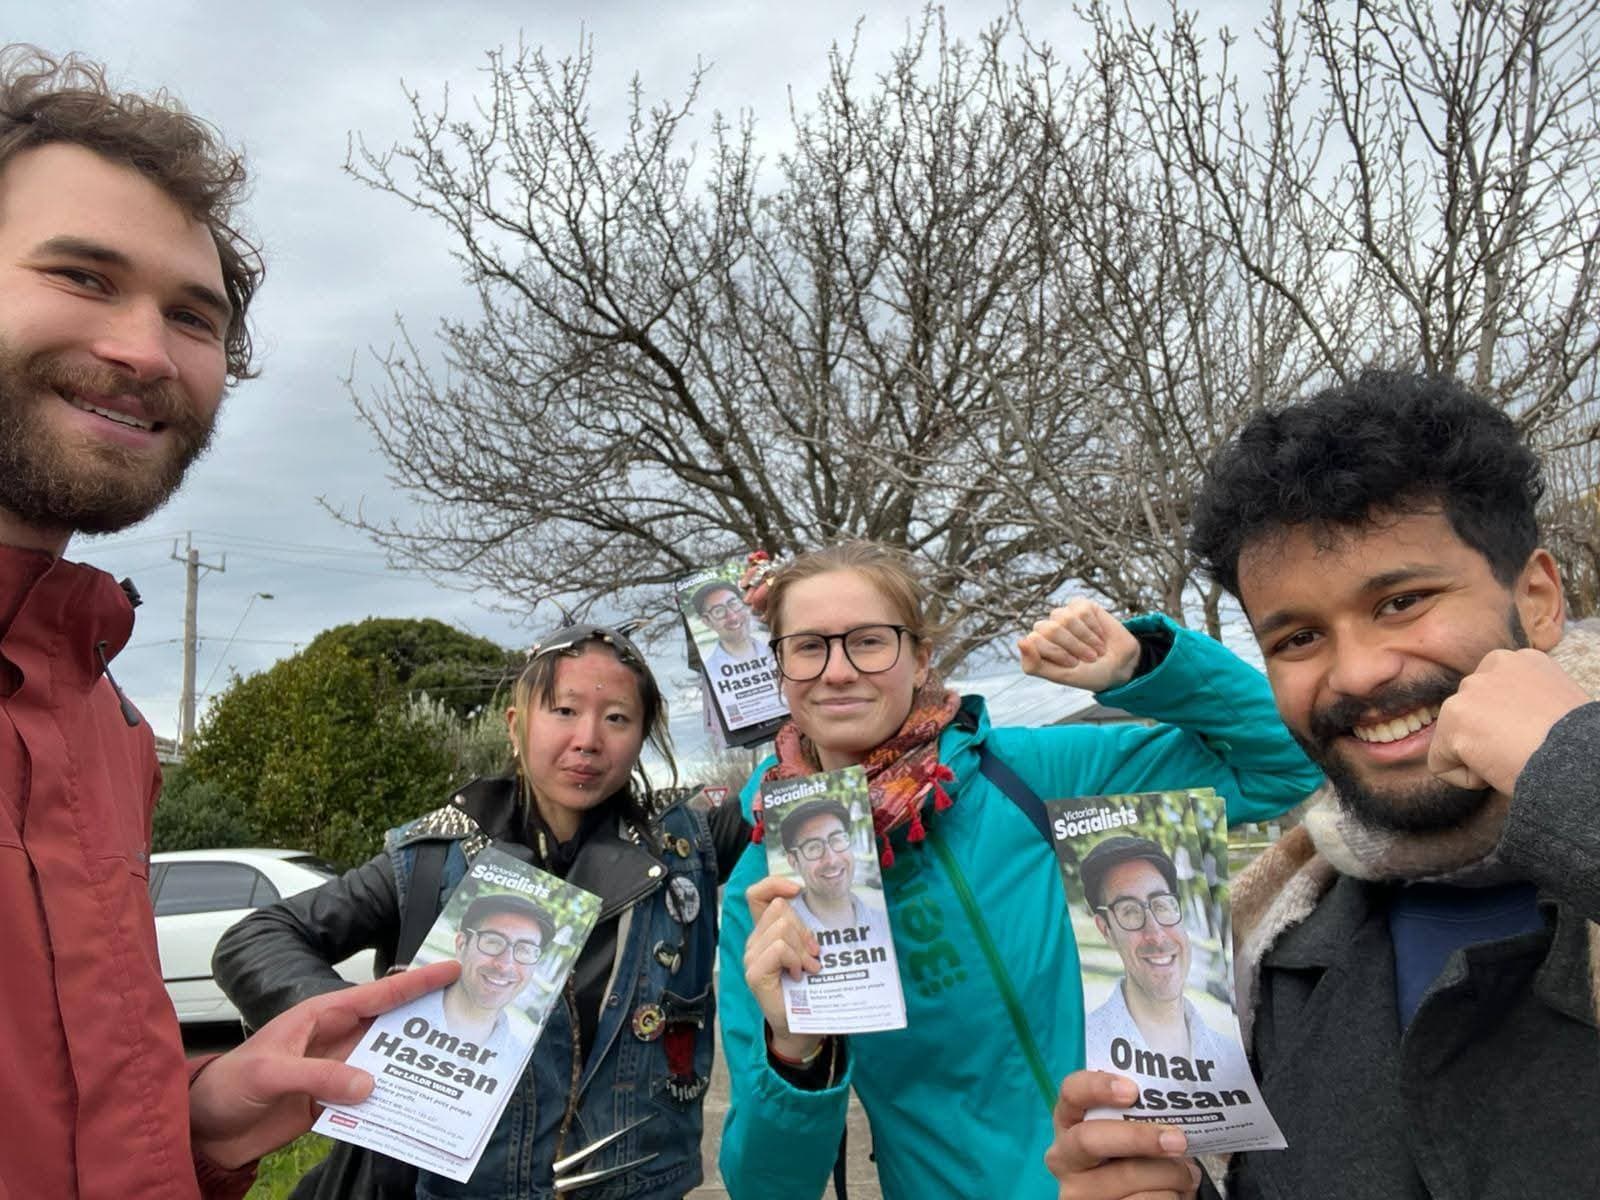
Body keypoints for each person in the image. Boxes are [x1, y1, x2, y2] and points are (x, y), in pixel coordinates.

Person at [0, 46, 458, 1200]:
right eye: (83, 276)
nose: (145, 351)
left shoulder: (109, 728)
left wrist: (196, 1126)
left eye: (192, 317)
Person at [1045, 371, 1600, 1200]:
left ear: (1539, 599)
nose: (1357, 675)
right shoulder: (1274, 954)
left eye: (1402, 601)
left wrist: (1571, 769)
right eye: (1299, 638)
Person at [717, 540, 1322, 1200]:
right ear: (779, 667)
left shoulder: (1034, 774)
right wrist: (794, 1052)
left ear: (921, 658)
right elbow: (766, 1189)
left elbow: (1288, 762)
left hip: (1136, 1185)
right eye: (808, 647)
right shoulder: (766, 884)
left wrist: (1142, 665)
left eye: (868, 641)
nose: (837, 671)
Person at [215, 623, 752, 1199]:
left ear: (642, 733)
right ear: (516, 725)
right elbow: (257, 938)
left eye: (617, 718)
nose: (588, 739)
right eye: (564, 710)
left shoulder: (687, 848)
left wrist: (769, 631)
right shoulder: (436, 857)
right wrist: (359, 1027)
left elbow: (802, 786)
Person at [1078, 838, 1241, 1078]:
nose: (1156, 934)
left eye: (1162, 905)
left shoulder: (1232, 1056)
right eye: (1129, 911)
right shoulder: (1082, 1054)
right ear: (1106, 930)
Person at [429, 894, 551, 1052]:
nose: (505, 965)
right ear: (461, 945)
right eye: (493, 942)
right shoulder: (401, 1008)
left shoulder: (519, 1056)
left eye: (525, 950)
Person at [778, 797, 886, 934]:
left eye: (837, 840)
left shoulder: (882, 923)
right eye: (814, 847)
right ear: (794, 862)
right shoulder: (786, 933)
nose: (832, 860)